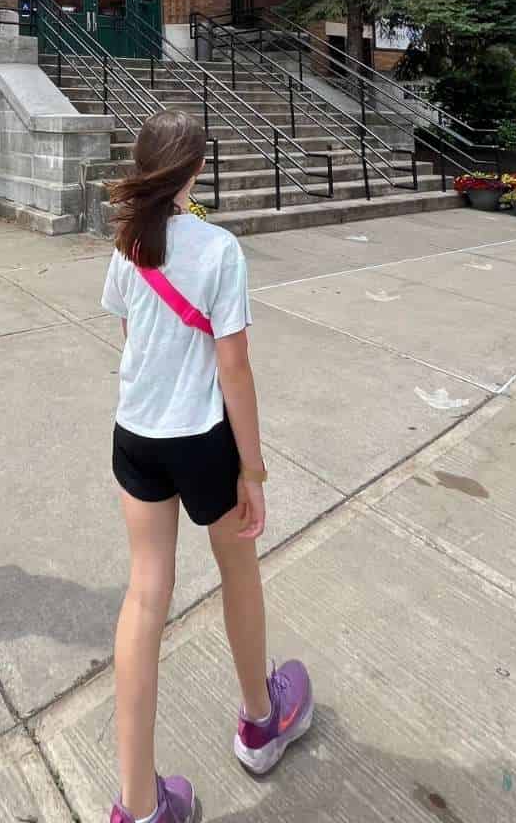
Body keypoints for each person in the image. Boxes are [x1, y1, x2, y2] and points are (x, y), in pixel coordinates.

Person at [101, 110, 312, 823]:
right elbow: (234, 368)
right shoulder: (219, 249)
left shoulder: (126, 244)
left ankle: (138, 802)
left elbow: (133, 337)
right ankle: (261, 719)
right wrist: (252, 470)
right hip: (200, 440)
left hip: (134, 434)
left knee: (143, 599)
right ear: (194, 172)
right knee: (239, 574)